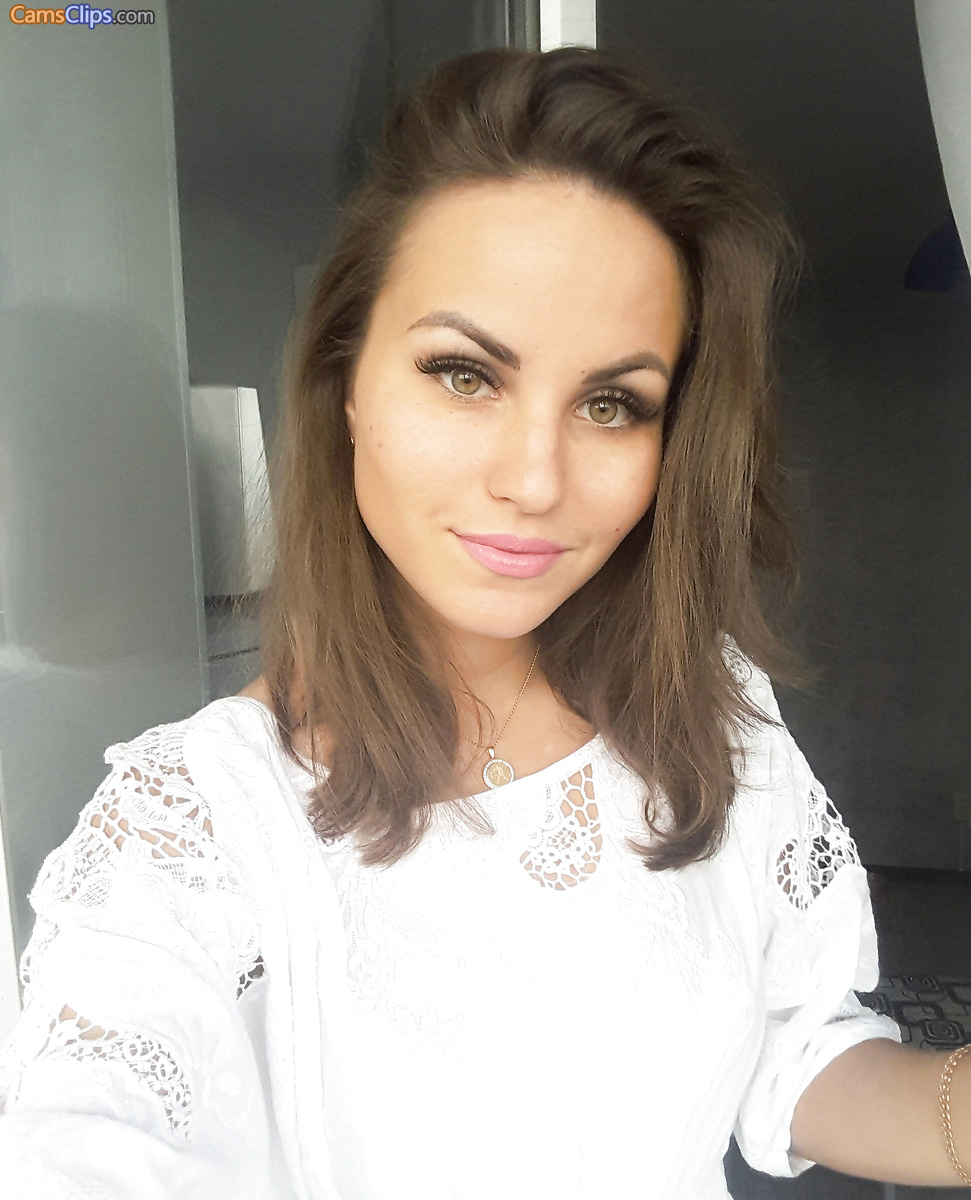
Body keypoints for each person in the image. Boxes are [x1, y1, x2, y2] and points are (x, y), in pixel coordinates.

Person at [0, 44, 967, 1200]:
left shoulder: (706, 707)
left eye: (611, 403)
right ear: (347, 381)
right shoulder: (195, 831)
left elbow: (794, 1051)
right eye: (464, 374)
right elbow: (92, 1137)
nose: (533, 479)